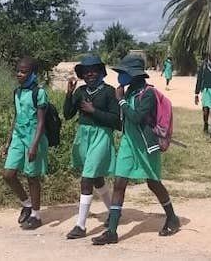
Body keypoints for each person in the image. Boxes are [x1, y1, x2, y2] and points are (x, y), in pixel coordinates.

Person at [91, 55, 180, 246]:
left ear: (135, 75)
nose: (121, 76)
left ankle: (172, 217)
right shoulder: (130, 91)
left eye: (124, 73)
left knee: (153, 183)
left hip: (146, 146)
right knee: (119, 182)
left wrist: (121, 101)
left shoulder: (147, 93)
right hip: (128, 143)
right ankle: (112, 231)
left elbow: (138, 117)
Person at [63, 55, 120, 239]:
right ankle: (113, 211)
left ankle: (80, 226)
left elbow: (116, 121)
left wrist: (93, 111)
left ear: (101, 72)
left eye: (94, 70)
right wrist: (69, 94)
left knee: (86, 178)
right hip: (84, 136)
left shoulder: (109, 92)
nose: (90, 74)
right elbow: (68, 114)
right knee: (96, 179)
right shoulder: (80, 92)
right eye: (86, 72)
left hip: (101, 136)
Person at [0, 57, 48, 230]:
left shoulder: (39, 92)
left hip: (33, 138)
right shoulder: (17, 92)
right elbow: (16, 117)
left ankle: (36, 215)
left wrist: (34, 145)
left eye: (24, 71)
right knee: (8, 174)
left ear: (33, 74)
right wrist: (8, 142)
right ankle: (26, 204)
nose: (19, 74)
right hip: (18, 137)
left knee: (32, 177)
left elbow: (41, 122)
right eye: (18, 70)